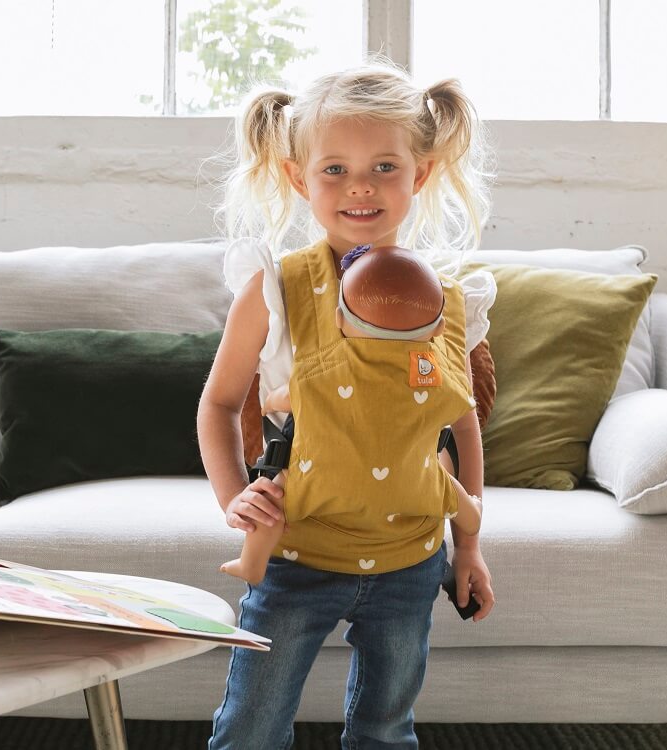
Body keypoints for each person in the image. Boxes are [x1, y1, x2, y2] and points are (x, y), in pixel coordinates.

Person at [196, 58, 496, 748]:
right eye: (333, 169)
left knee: (386, 729)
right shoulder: (272, 290)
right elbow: (217, 406)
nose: (360, 186)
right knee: (251, 726)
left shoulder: (452, 303)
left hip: (409, 560)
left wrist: (468, 545)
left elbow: (461, 425)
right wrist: (232, 500)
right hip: (295, 554)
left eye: (384, 167)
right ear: (297, 178)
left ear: (419, 174)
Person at [218, 244, 484, 586]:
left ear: (339, 321)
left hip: (320, 485)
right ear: (438, 329)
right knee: (450, 491)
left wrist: (270, 404)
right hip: (416, 486)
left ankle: (250, 564)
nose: (361, 188)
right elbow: (462, 418)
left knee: (274, 500)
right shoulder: (441, 383)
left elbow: (281, 399)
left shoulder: (321, 377)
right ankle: (473, 514)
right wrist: (469, 542)